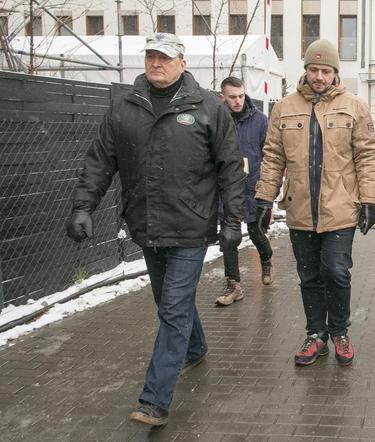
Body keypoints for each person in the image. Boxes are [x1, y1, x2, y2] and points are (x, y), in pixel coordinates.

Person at [65, 33, 245, 426]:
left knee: (173, 308)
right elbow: (99, 161)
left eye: (163, 57)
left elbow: (231, 167)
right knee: (169, 303)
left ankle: (155, 400)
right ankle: (195, 348)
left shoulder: (208, 107)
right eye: (150, 56)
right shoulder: (124, 107)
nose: (155, 63)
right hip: (146, 224)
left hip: (191, 226)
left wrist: (233, 219)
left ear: (182, 62)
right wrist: (83, 205)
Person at [254, 39, 375, 367]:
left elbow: (367, 155)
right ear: (306, 69)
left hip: (340, 208)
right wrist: (264, 198)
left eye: (326, 71)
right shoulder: (284, 107)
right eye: (314, 69)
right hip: (299, 207)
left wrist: (369, 200)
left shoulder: (354, 106)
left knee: (336, 272)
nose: (319, 76)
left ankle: (339, 331)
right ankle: (316, 334)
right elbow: (273, 156)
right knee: (309, 275)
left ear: (335, 73)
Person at [215, 76, 273, 306]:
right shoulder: (216, 120)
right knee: (229, 238)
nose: (238, 101)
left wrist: (267, 185)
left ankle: (266, 258)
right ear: (223, 97)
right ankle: (234, 285)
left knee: (256, 231)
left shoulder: (260, 121)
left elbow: (270, 155)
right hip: (227, 189)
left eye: (240, 96)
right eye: (232, 97)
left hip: (253, 188)